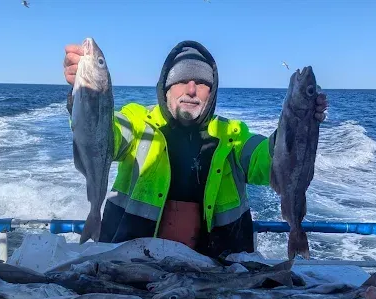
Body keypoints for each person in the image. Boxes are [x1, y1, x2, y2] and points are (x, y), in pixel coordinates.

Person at [62, 40, 328, 259]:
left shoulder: (232, 135)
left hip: (216, 272)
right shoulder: (137, 121)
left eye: (202, 83)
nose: (191, 89)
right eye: (181, 80)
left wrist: (299, 128)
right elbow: (103, 137)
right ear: (165, 87)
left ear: (211, 93)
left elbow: (268, 160)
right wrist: (85, 96)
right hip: (131, 265)